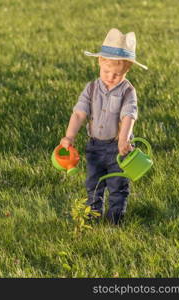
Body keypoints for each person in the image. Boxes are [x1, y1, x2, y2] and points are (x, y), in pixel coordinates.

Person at [60, 28, 148, 225]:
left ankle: (115, 219)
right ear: (99, 62)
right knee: (94, 183)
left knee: (118, 185)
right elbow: (79, 113)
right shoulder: (91, 88)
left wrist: (124, 139)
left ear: (127, 70)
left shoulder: (128, 91)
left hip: (117, 146)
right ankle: (93, 217)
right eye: (106, 71)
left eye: (117, 74)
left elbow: (128, 116)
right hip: (95, 146)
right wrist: (69, 136)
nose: (110, 76)